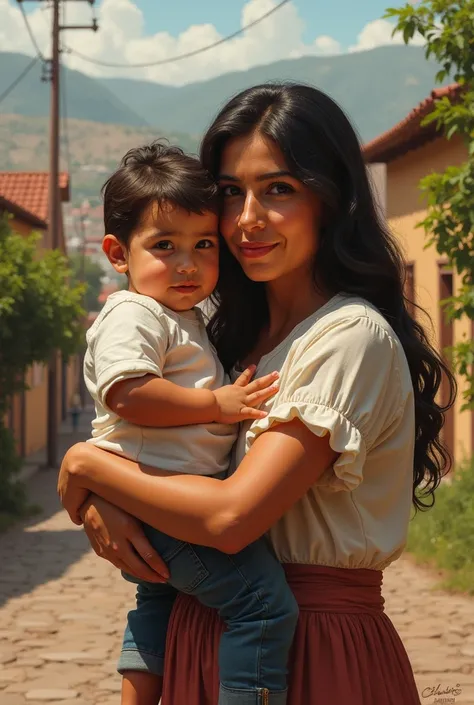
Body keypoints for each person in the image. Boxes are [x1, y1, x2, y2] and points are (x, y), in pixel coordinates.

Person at [58, 83, 456, 705]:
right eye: (229, 193)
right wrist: (104, 502)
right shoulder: (226, 343)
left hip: (313, 650)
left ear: (330, 199)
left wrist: (85, 467)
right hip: (205, 636)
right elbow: (169, 468)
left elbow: (229, 516)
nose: (247, 218)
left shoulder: (347, 337)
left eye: (278, 190)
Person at [83, 141, 300, 705]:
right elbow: (128, 393)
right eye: (164, 246)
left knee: (158, 604)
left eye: (203, 244)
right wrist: (216, 405)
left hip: (161, 500)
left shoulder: (184, 316)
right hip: (166, 500)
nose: (187, 263)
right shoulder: (132, 314)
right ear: (117, 252)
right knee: (262, 606)